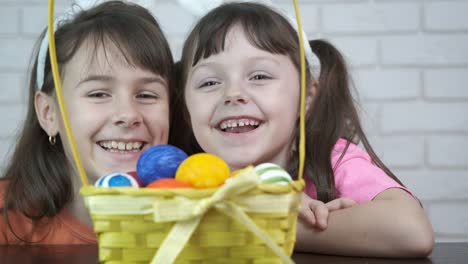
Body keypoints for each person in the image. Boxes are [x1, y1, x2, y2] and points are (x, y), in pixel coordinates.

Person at [176, 2, 434, 257]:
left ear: (306, 97)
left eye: (259, 76)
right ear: (187, 109)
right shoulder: (178, 177)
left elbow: (410, 231)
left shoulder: (332, 160)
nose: (232, 94)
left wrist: (274, 225)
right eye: (209, 81)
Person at [0, 1, 175, 244]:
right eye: (99, 94)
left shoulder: (208, 217)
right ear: (49, 114)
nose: (127, 114)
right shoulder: (6, 223)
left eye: (147, 95)